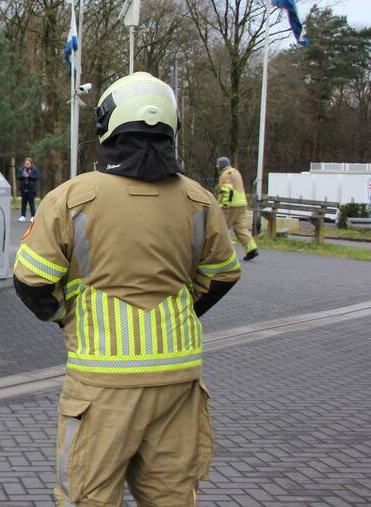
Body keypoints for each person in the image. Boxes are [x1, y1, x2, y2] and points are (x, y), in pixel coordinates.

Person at [12, 72, 241, 506]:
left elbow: (30, 281)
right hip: (179, 379)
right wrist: (181, 309)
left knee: (88, 496)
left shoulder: (72, 198)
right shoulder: (199, 200)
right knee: (171, 496)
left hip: (102, 382)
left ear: (108, 125)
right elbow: (224, 275)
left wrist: (67, 316)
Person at [216, 156, 259, 261]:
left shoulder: (225, 175)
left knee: (221, 228)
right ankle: (251, 249)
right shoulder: (235, 172)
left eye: (218, 164)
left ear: (222, 165)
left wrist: (223, 205)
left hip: (231, 206)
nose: (216, 166)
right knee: (240, 228)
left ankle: (221, 252)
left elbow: (226, 191)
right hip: (242, 204)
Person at [16, 157, 40, 222]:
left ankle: (33, 216)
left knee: (31, 203)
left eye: (28, 164)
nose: (27, 165)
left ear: (31, 164)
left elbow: (37, 177)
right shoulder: (21, 169)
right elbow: (18, 176)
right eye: (26, 163)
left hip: (31, 189)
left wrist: (29, 176)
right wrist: (23, 176)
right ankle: (23, 216)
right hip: (23, 188)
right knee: (23, 202)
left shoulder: (34, 169)